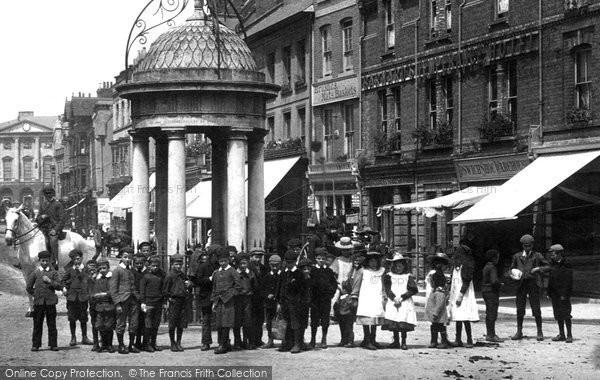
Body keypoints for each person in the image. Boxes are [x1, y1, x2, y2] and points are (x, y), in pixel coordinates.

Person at [510, 234, 548, 341]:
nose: (528, 248)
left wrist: (538, 269)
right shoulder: (517, 256)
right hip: (521, 284)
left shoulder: (537, 255)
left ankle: (539, 331)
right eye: (526, 246)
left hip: (533, 283)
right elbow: (511, 269)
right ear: (522, 245)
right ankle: (519, 331)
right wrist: (513, 274)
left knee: (536, 307)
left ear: (532, 245)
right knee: (520, 308)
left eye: (530, 246)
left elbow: (548, 266)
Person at [26, 250, 62, 352]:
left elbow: (59, 286)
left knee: (52, 324)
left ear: (50, 260)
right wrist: (36, 294)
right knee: (37, 324)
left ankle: (53, 344)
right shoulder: (35, 273)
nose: (45, 263)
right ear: (39, 261)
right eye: (42, 261)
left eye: (46, 261)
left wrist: (50, 281)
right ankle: (36, 345)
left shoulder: (53, 272)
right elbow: (28, 287)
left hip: (50, 302)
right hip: (39, 302)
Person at [382, 252, 418, 350]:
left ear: (403, 266)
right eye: (396, 266)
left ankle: (403, 341)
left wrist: (402, 298)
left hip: (404, 301)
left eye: (400, 266)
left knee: (403, 321)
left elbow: (413, 289)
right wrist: (393, 298)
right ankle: (396, 341)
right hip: (393, 301)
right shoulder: (389, 276)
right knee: (394, 321)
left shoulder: (407, 276)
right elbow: (387, 289)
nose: (398, 268)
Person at [447, 240, 479, 348]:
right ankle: (458, 339)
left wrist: (460, 295)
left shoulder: (466, 267)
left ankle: (469, 339)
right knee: (457, 318)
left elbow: (466, 282)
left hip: (464, 295)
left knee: (465, 318)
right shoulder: (456, 268)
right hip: (456, 294)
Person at [352, 250, 386, 350]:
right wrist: (354, 295)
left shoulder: (381, 271)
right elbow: (356, 284)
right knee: (367, 319)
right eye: (371, 261)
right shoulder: (363, 271)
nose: (373, 263)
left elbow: (383, 284)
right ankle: (367, 340)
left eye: (375, 261)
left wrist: (384, 294)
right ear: (367, 262)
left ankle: (373, 339)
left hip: (376, 297)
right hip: (366, 298)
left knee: (375, 319)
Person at [109, 247, 140, 354]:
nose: (127, 259)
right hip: (122, 300)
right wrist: (117, 304)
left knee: (134, 323)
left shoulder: (131, 270)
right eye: (125, 257)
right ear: (121, 257)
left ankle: (131, 344)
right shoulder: (117, 271)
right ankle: (121, 345)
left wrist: (138, 297)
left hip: (133, 300)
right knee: (121, 323)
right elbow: (113, 289)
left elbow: (133, 285)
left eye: (129, 257)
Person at [212, 247, 242, 354]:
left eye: (225, 261)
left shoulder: (232, 271)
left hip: (228, 301)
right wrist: (214, 302)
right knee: (219, 323)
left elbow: (238, 286)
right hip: (219, 301)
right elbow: (214, 288)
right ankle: (223, 343)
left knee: (226, 323)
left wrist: (230, 295)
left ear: (228, 260)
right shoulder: (216, 272)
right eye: (221, 261)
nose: (223, 263)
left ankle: (223, 345)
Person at [61, 249, 93, 347]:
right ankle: (73, 337)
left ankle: (84, 337)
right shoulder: (70, 270)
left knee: (83, 318)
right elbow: (62, 280)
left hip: (83, 297)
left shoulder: (86, 270)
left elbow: (90, 280)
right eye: (74, 259)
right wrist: (64, 288)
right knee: (72, 318)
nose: (76, 261)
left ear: (82, 258)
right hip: (72, 297)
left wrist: (82, 272)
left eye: (78, 259)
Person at [309, 248, 338, 349]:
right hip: (315, 300)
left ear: (326, 260)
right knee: (314, 320)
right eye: (319, 258)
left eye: (323, 259)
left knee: (325, 320)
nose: (321, 260)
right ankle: (312, 339)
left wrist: (330, 294)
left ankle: (324, 339)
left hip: (325, 300)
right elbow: (309, 285)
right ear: (315, 259)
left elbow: (334, 284)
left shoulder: (329, 271)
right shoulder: (312, 270)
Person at [163, 253, 192, 352]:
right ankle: (172, 343)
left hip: (183, 301)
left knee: (181, 323)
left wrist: (189, 284)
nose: (179, 266)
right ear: (172, 264)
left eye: (180, 264)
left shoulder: (183, 275)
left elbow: (188, 286)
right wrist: (168, 300)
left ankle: (179, 342)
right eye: (176, 264)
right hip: (174, 301)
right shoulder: (170, 276)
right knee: (172, 324)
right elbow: (165, 291)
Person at [546, 244, 574, 343]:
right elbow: (551, 278)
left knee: (566, 314)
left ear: (559, 254)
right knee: (557, 314)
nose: (551, 256)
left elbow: (568, 281)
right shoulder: (553, 264)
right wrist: (549, 292)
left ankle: (569, 335)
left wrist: (565, 294)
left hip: (563, 294)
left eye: (553, 254)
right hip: (554, 293)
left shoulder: (566, 264)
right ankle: (561, 334)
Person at [335, 253, 363, 347]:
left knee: (348, 319)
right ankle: (343, 338)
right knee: (341, 316)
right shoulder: (351, 271)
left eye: (358, 261)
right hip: (346, 295)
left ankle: (350, 339)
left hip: (355, 296)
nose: (356, 263)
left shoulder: (362, 271)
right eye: (355, 261)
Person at [424, 253, 451, 349]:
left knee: (441, 326)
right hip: (434, 313)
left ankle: (443, 341)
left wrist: (435, 312)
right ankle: (434, 341)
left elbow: (439, 304)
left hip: (438, 314)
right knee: (434, 326)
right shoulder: (435, 291)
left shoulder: (439, 293)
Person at [35, 185, 65, 270]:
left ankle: (55, 260)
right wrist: (41, 217)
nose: (47, 195)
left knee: (52, 240)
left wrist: (55, 230)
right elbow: (37, 218)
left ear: (52, 194)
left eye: (49, 193)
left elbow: (62, 220)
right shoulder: (43, 205)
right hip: (43, 229)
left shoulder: (58, 204)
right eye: (46, 194)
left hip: (53, 229)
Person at [90, 257, 116, 353]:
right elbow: (93, 291)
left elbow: (113, 291)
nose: (102, 270)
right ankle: (103, 344)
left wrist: (105, 294)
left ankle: (109, 344)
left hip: (109, 305)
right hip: (99, 306)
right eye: (100, 269)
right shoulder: (97, 279)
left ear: (108, 268)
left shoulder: (112, 278)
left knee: (109, 326)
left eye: (104, 268)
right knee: (100, 325)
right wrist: (95, 296)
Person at [140, 255, 165, 352]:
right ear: (149, 266)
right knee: (148, 325)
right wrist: (143, 302)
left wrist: (163, 302)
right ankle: (146, 344)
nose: (155, 267)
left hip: (158, 303)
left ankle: (153, 343)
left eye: (157, 266)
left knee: (156, 324)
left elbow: (163, 289)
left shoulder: (161, 276)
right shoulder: (146, 276)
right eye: (153, 265)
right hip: (148, 303)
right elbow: (142, 290)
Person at [233, 253, 258, 350]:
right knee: (237, 321)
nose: (243, 266)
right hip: (237, 299)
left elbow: (255, 285)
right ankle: (237, 342)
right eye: (241, 264)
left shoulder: (250, 273)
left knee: (247, 321)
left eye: (245, 263)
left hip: (248, 299)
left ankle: (248, 341)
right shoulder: (235, 273)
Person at [191, 250, 215, 351]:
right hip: (206, 295)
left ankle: (224, 342)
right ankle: (206, 342)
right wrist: (210, 279)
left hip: (219, 295)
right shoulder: (203, 267)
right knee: (206, 320)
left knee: (221, 321)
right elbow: (197, 280)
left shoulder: (220, 265)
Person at [482, 249, 504, 343]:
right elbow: (494, 281)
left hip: (485, 291)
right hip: (491, 291)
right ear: (494, 258)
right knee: (492, 313)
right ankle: (491, 335)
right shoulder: (492, 268)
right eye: (497, 257)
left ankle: (489, 333)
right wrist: (500, 285)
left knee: (489, 313)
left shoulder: (486, 267)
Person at [261, 254, 282, 349]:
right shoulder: (266, 277)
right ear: (269, 265)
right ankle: (270, 340)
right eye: (272, 265)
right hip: (269, 304)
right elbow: (261, 289)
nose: (274, 267)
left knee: (281, 321)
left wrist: (280, 301)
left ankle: (284, 339)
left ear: (280, 264)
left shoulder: (282, 276)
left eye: (276, 265)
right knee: (269, 322)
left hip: (280, 303)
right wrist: (267, 295)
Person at [248, 248, 268, 347]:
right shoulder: (248, 268)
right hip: (251, 297)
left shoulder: (264, 268)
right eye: (256, 257)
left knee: (260, 319)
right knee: (252, 320)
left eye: (260, 257)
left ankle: (258, 339)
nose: (258, 259)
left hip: (260, 297)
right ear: (251, 257)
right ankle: (251, 341)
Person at [83, 259, 100, 351]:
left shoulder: (100, 276)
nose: (92, 270)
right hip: (92, 303)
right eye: (89, 269)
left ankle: (105, 343)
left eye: (93, 268)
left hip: (102, 302)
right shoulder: (86, 278)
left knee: (103, 322)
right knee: (94, 323)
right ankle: (96, 342)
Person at [131, 254, 147, 350]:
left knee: (144, 321)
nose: (139, 265)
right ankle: (135, 342)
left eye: (141, 263)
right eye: (137, 263)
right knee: (135, 321)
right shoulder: (132, 272)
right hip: (135, 299)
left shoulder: (147, 272)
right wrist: (138, 297)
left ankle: (144, 342)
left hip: (145, 299)